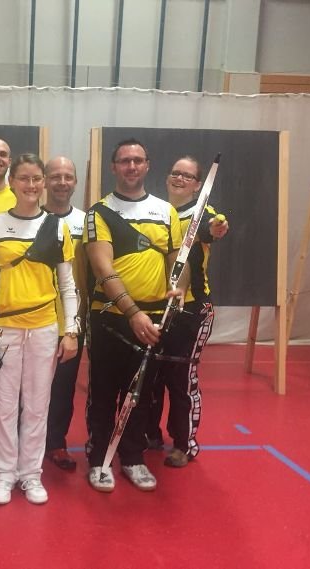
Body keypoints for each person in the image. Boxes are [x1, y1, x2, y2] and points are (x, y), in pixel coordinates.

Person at [0, 153, 79, 506]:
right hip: (5, 328)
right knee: (3, 405)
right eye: (24, 178)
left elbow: (68, 286)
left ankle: (31, 474)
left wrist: (71, 331)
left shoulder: (57, 227)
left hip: (45, 327)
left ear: (43, 182)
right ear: (12, 182)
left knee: (37, 405)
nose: (30, 185)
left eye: (36, 179)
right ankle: (4, 475)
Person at [83, 139, 184, 493]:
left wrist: (179, 287)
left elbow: (177, 261)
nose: (131, 166)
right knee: (104, 392)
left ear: (147, 165)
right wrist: (133, 313)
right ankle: (99, 459)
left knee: (141, 393)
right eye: (124, 160)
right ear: (114, 167)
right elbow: (103, 268)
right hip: (111, 317)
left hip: (154, 317)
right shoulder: (98, 212)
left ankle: (132, 457)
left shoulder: (166, 211)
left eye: (137, 160)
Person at [146, 156, 229, 466]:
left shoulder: (202, 212)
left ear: (197, 185)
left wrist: (217, 227)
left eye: (187, 176)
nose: (179, 178)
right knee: (152, 376)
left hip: (192, 308)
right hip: (158, 306)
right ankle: (149, 434)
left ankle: (185, 443)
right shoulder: (157, 212)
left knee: (181, 379)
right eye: (175, 173)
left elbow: (213, 227)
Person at [42, 156, 87, 472]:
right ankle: (22, 444)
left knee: (63, 386)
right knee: (25, 386)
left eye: (67, 177)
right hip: (33, 317)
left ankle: (55, 442)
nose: (61, 182)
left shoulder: (86, 222)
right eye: (55, 176)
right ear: (45, 180)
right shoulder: (31, 219)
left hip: (70, 320)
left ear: (75, 182)